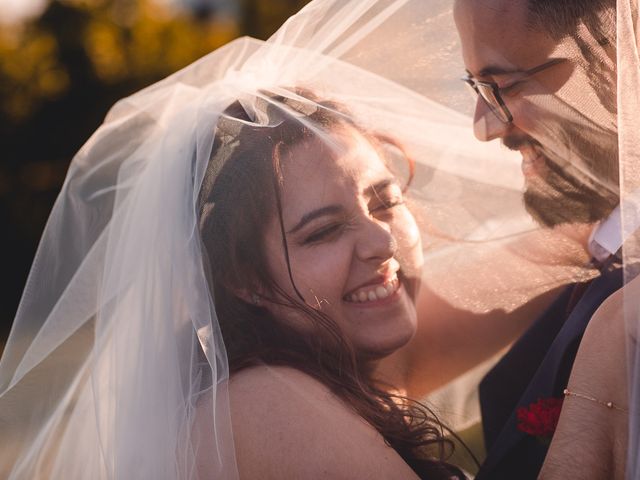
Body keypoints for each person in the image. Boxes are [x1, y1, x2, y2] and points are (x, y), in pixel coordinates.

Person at [452, 0, 628, 478]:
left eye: (501, 86)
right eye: (475, 87)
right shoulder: (603, 250)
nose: (483, 126)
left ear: (621, 62)